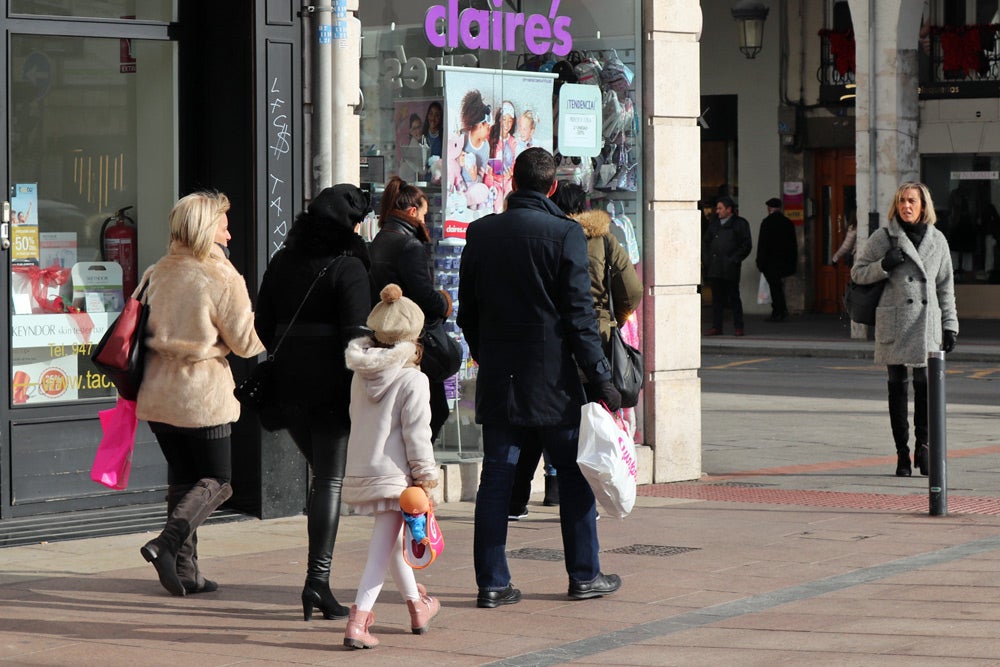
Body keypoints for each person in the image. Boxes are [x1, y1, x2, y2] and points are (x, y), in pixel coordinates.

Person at [457, 147, 623, 609]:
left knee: (496, 479)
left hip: (500, 375)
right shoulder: (564, 233)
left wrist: (485, 352)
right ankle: (584, 575)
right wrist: (601, 378)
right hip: (554, 381)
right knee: (571, 477)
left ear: (513, 181)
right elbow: (579, 317)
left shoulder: (480, 232)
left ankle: (492, 582)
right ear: (552, 187)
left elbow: (467, 310)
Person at [137, 191, 265, 596]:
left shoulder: (158, 271)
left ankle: (187, 574)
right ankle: (167, 543)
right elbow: (245, 342)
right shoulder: (220, 276)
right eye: (224, 224)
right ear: (208, 228)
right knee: (220, 480)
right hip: (202, 395)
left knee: (183, 482)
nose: (230, 232)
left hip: (158, 393)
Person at [254, 184, 373, 621]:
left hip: (287, 384)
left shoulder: (283, 259)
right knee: (328, 480)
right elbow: (357, 338)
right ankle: (317, 582)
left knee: (322, 477)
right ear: (351, 226)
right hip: (331, 387)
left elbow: (262, 325)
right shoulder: (349, 266)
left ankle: (317, 583)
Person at [507, 182, 642, 520]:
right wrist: (612, 318)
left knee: (540, 420)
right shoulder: (602, 238)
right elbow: (632, 289)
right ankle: (579, 499)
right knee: (588, 422)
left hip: (549, 340)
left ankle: (520, 497)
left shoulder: (547, 236)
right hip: (593, 338)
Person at [341, 284, 440, 649]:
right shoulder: (413, 379)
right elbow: (418, 435)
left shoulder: (359, 375)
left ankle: (418, 607)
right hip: (397, 478)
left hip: (365, 469)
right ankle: (358, 621)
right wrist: (426, 478)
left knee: (395, 543)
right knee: (381, 552)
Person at [850, 182, 958, 477]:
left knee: (925, 388)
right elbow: (857, 273)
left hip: (927, 323)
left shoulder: (938, 240)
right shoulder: (884, 237)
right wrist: (883, 264)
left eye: (912, 201)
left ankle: (923, 448)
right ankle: (902, 454)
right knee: (897, 390)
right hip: (896, 322)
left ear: (924, 206)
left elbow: (945, 287)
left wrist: (950, 326)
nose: (906, 206)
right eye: (901, 201)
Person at [369, 177, 453, 442]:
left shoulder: (381, 239)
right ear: (413, 212)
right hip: (413, 343)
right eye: (424, 216)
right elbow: (423, 296)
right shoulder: (409, 245)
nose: (425, 223)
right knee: (433, 411)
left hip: (385, 337)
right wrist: (444, 302)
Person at [702, 196, 753, 336]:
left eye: (720, 208)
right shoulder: (714, 223)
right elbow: (705, 242)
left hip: (730, 267)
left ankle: (738, 326)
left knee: (733, 297)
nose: (717, 211)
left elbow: (746, 245)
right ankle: (716, 326)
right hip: (715, 266)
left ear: (729, 209)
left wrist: (734, 259)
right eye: (717, 208)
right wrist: (707, 260)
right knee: (717, 299)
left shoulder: (740, 224)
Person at [755, 197, 797, 322]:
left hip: (770, 262)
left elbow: (762, 244)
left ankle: (778, 311)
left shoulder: (767, 222)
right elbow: (793, 244)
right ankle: (781, 310)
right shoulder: (788, 223)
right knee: (778, 286)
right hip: (784, 261)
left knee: (775, 287)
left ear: (769, 208)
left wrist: (760, 261)